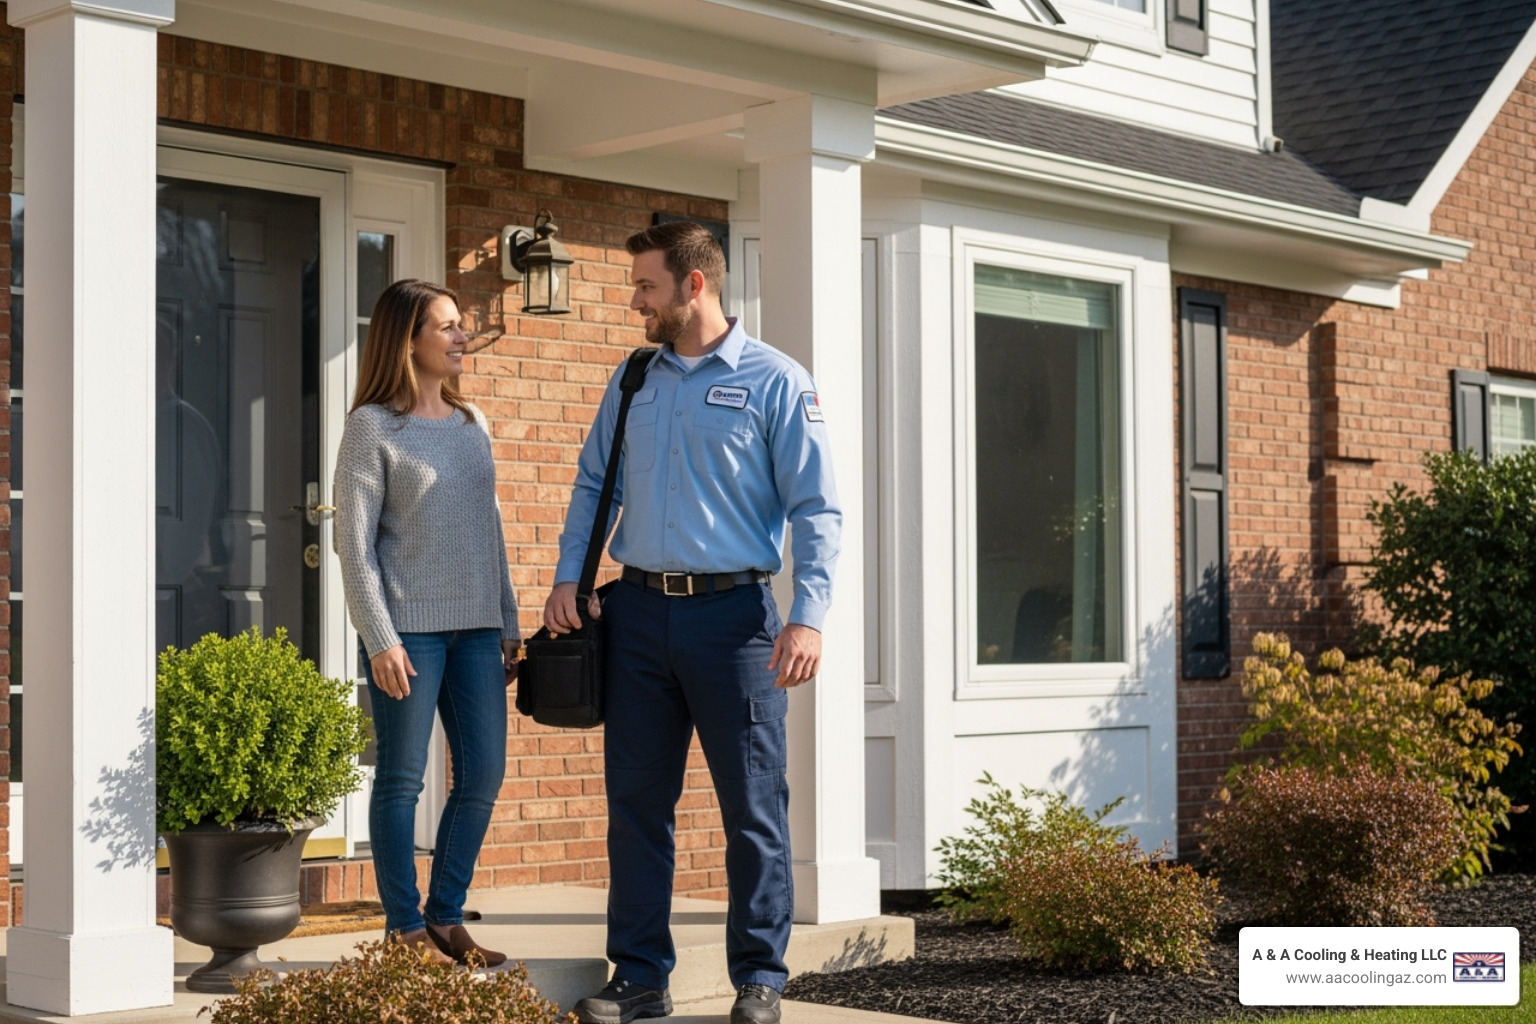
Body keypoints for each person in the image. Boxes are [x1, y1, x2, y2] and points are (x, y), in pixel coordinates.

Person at [546, 222, 840, 1024]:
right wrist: (570, 575)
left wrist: (808, 617)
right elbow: (592, 483)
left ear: (694, 285)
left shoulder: (777, 381)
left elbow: (817, 509)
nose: (634, 302)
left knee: (753, 808)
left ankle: (760, 978)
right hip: (636, 615)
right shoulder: (634, 378)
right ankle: (640, 977)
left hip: (735, 621)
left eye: (646, 286)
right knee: (637, 805)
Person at [333, 278, 520, 967]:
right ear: (406, 341)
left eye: (459, 324)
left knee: (483, 774)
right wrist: (379, 637)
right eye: (446, 326)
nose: (461, 336)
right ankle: (404, 928)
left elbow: (489, 529)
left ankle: (445, 916)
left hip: (477, 629)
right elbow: (353, 544)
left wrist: (507, 619)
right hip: (408, 632)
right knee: (402, 780)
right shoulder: (372, 427)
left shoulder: (472, 425)